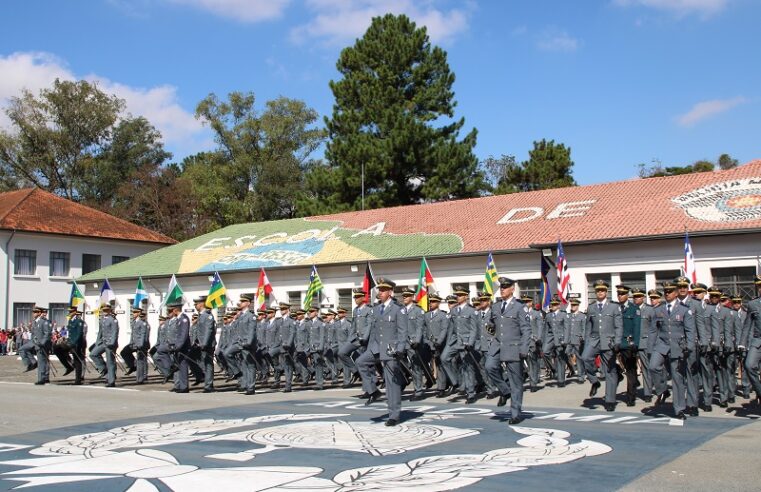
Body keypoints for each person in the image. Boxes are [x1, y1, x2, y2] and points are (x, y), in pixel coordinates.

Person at [649, 282, 696, 419]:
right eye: (665, 291)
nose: (667, 293)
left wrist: (689, 347)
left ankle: (679, 408)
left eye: (670, 291)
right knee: (653, 366)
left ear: (676, 293)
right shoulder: (659, 309)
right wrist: (650, 347)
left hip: (678, 345)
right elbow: (653, 330)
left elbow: (690, 331)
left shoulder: (684, 310)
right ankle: (662, 390)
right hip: (662, 344)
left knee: (677, 379)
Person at [487, 277, 531, 424]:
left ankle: (515, 413)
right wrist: (490, 326)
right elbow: (491, 322)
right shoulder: (496, 306)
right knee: (489, 366)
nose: (502, 289)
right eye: (501, 287)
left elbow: (526, 329)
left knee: (515, 381)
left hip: (513, 346)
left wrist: (524, 348)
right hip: (498, 344)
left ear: (512, 289)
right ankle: (505, 391)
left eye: (505, 287)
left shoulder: (519, 307)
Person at [368, 278, 408, 426]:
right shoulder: (377, 309)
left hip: (391, 351)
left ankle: (394, 414)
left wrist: (400, 349)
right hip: (378, 349)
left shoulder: (398, 309)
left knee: (391, 384)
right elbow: (374, 331)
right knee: (361, 362)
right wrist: (371, 348)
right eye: (380, 290)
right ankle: (372, 389)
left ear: (390, 292)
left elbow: (403, 332)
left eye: (383, 290)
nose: (380, 292)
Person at [583, 280, 623, 411]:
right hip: (594, 340)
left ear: (606, 292)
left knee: (610, 370)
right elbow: (588, 326)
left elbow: (618, 326)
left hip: (608, 341)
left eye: (602, 290)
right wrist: (587, 341)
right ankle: (594, 380)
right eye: (598, 290)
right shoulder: (591, 307)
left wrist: (617, 341)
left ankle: (610, 400)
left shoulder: (614, 307)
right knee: (585, 358)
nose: (600, 292)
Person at [448, 285, 479, 404]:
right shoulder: (454, 310)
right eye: (457, 295)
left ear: (466, 296)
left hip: (466, 343)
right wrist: (450, 342)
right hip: (456, 342)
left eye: (460, 295)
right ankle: (457, 383)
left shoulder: (472, 311)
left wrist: (470, 342)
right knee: (445, 358)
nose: (458, 297)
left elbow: (473, 329)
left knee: (468, 368)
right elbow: (452, 328)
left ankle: (470, 393)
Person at [401, 287, 430, 400]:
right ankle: (404, 381)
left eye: (407, 296)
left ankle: (418, 391)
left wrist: (417, 341)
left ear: (412, 297)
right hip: (402, 342)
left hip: (413, 343)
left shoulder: (418, 311)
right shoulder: (401, 310)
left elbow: (419, 328)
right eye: (403, 296)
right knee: (398, 364)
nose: (405, 298)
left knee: (416, 367)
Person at [617, 285, 640, 407]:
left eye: (622, 294)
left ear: (627, 295)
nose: (620, 296)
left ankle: (631, 397)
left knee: (631, 370)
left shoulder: (634, 309)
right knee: (611, 366)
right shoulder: (615, 308)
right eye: (618, 294)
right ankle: (618, 374)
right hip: (616, 342)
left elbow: (637, 327)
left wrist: (635, 343)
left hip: (628, 343)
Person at [19, 306, 53, 385]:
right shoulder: (34, 322)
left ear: (39, 313)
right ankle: (32, 363)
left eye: (35, 312)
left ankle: (41, 379)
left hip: (41, 344)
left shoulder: (44, 322)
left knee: (42, 361)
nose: (33, 313)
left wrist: (42, 343)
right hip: (33, 342)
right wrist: (31, 342)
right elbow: (33, 333)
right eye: (33, 312)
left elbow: (47, 334)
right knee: (22, 349)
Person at [741, 275, 761, 406]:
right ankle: (760, 392)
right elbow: (747, 325)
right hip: (758, 341)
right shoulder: (753, 304)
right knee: (748, 365)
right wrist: (742, 343)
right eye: (759, 286)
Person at [191, 295, 216, 393]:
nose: (195, 306)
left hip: (207, 345)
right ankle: (205, 381)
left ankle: (209, 385)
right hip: (200, 344)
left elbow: (208, 331)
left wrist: (204, 343)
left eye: (196, 304)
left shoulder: (208, 315)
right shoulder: (201, 315)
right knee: (201, 363)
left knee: (208, 364)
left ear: (201, 304)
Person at [89, 304, 119, 387]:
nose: (105, 312)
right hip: (103, 342)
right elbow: (100, 333)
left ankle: (111, 381)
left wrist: (112, 343)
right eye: (104, 310)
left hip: (110, 343)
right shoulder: (102, 320)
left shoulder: (113, 320)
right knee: (93, 354)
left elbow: (114, 332)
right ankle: (104, 370)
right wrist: (97, 342)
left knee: (110, 362)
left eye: (106, 310)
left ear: (110, 310)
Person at [121, 307, 150, 384]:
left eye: (135, 312)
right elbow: (133, 334)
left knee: (142, 360)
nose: (133, 314)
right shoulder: (134, 322)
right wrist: (131, 342)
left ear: (138, 313)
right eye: (133, 312)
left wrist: (142, 344)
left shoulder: (143, 323)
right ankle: (134, 366)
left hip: (141, 344)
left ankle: (142, 377)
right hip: (134, 343)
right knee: (124, 352)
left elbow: (144, 335)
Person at [566, 298, 586, 384]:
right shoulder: (569, 316)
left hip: (578, 340)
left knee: (579, 358)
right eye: (572, 305)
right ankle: (572, 370)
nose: (573, 307)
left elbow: (584, 328)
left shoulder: (582, 316)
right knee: (566, 354)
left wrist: (582, 337)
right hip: (569, 339)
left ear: (578, 306)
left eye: (574, 305)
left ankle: (581, 376)